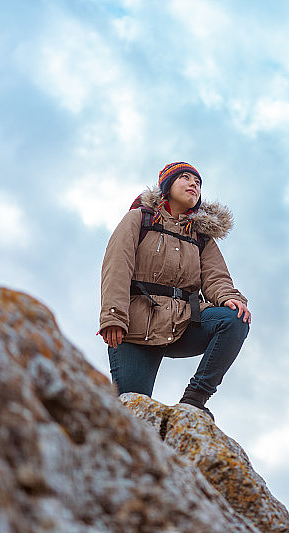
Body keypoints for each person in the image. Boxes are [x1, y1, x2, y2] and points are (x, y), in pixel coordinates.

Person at [99, 162, 250, 420]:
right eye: (185, 178)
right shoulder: (139, 218)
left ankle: (194, 400)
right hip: (136, 326)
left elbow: (216, 277)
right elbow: (117, 266)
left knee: (235, 319)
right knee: (131, 415)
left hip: (184, 321)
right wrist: (113, 316)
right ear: (167, 186)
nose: (194, 185)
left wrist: (229, 298)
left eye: (198, 182)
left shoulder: (202, 237)